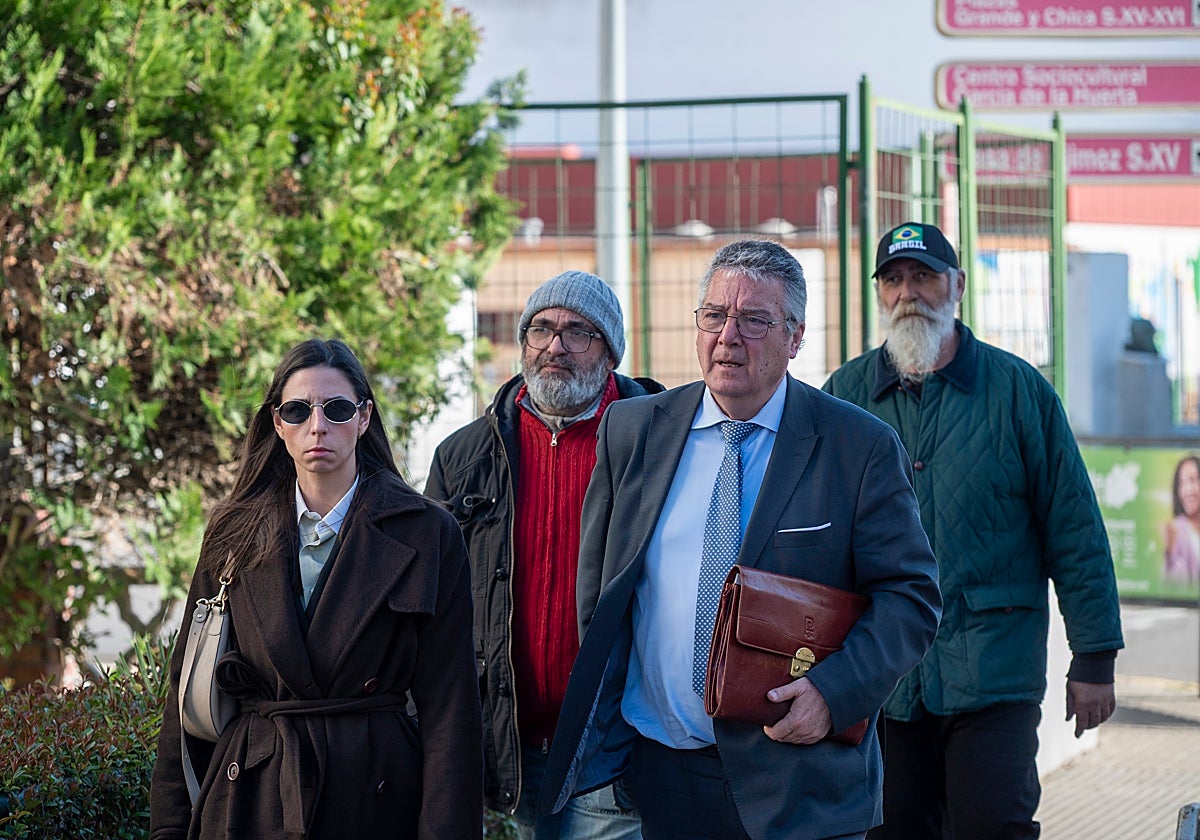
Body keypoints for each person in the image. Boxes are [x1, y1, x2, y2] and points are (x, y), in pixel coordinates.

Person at [537, 239, 942, 840]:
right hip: (659, 775)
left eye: (754, 320)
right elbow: (600, 590)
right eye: (714, 315)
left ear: (795, 337)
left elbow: (910, 599)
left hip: (799, 781)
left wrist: (833, 695)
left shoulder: (858, 447)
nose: (729, 336)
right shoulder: (634, 431)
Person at [823, 221, 1125, 840]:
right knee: (890, 830)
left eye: (925, 276)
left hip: (995, 670)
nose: (909, 292)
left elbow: (1074, 527)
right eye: (895, 279)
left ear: (956, 286)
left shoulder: (1018, 392)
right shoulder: (846, 395)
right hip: (882, 674)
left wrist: (1094, 658)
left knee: (994, 826)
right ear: (880, 294)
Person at [150, 339, 482, 840]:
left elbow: (451, 711)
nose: (318, 426)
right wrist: (169, 829)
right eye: (298, 410)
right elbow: (185, 697)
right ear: (278, 424)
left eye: (338, 408)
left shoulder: (428, 532)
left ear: (364, 418)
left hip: (376, 796)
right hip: (252, 798)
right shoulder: (233, 534)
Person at [426, 270, 657, 839]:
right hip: (507, 756)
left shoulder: (658, 442)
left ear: (610, 353)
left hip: (617, 753)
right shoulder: (464, 456)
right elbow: (427, 600)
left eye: (579, 332)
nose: (555, 346)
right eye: (541, 329)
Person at [1164, 454, 1200, 585]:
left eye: (1193, 480)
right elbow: (1175, 584)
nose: (1187, 490)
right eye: (1181, 483)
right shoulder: (1177, 530)